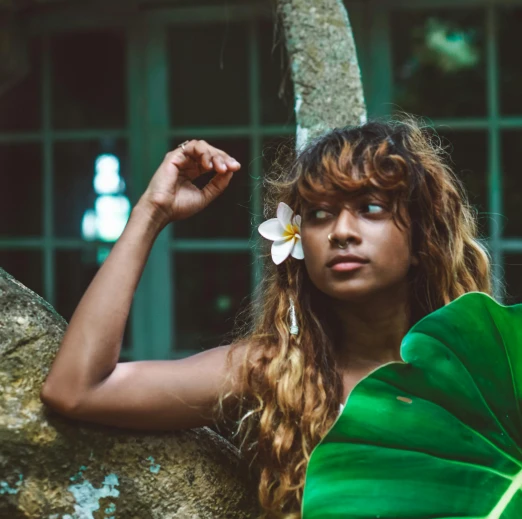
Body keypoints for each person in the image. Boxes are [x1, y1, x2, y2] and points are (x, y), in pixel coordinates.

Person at [40, 114, 492, 519]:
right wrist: (151, 212)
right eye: (318, 214)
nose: (340, 232)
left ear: (421, 239)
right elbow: (77, 389)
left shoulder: (488, 378)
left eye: (369, 208)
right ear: (298, 243)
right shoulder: (272, 371)